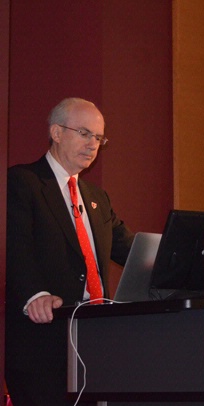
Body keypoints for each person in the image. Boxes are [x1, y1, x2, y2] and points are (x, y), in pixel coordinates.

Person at [5, 98, 135, 405]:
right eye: (84, 133)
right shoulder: (23, 182)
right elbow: (13, 245)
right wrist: (34, 294)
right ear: (56, 132)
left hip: (94, 341)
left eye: (99, 138)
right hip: (43, 340)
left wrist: (177, 261)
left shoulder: (96, 197)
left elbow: (130, 249)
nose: (93, 145)